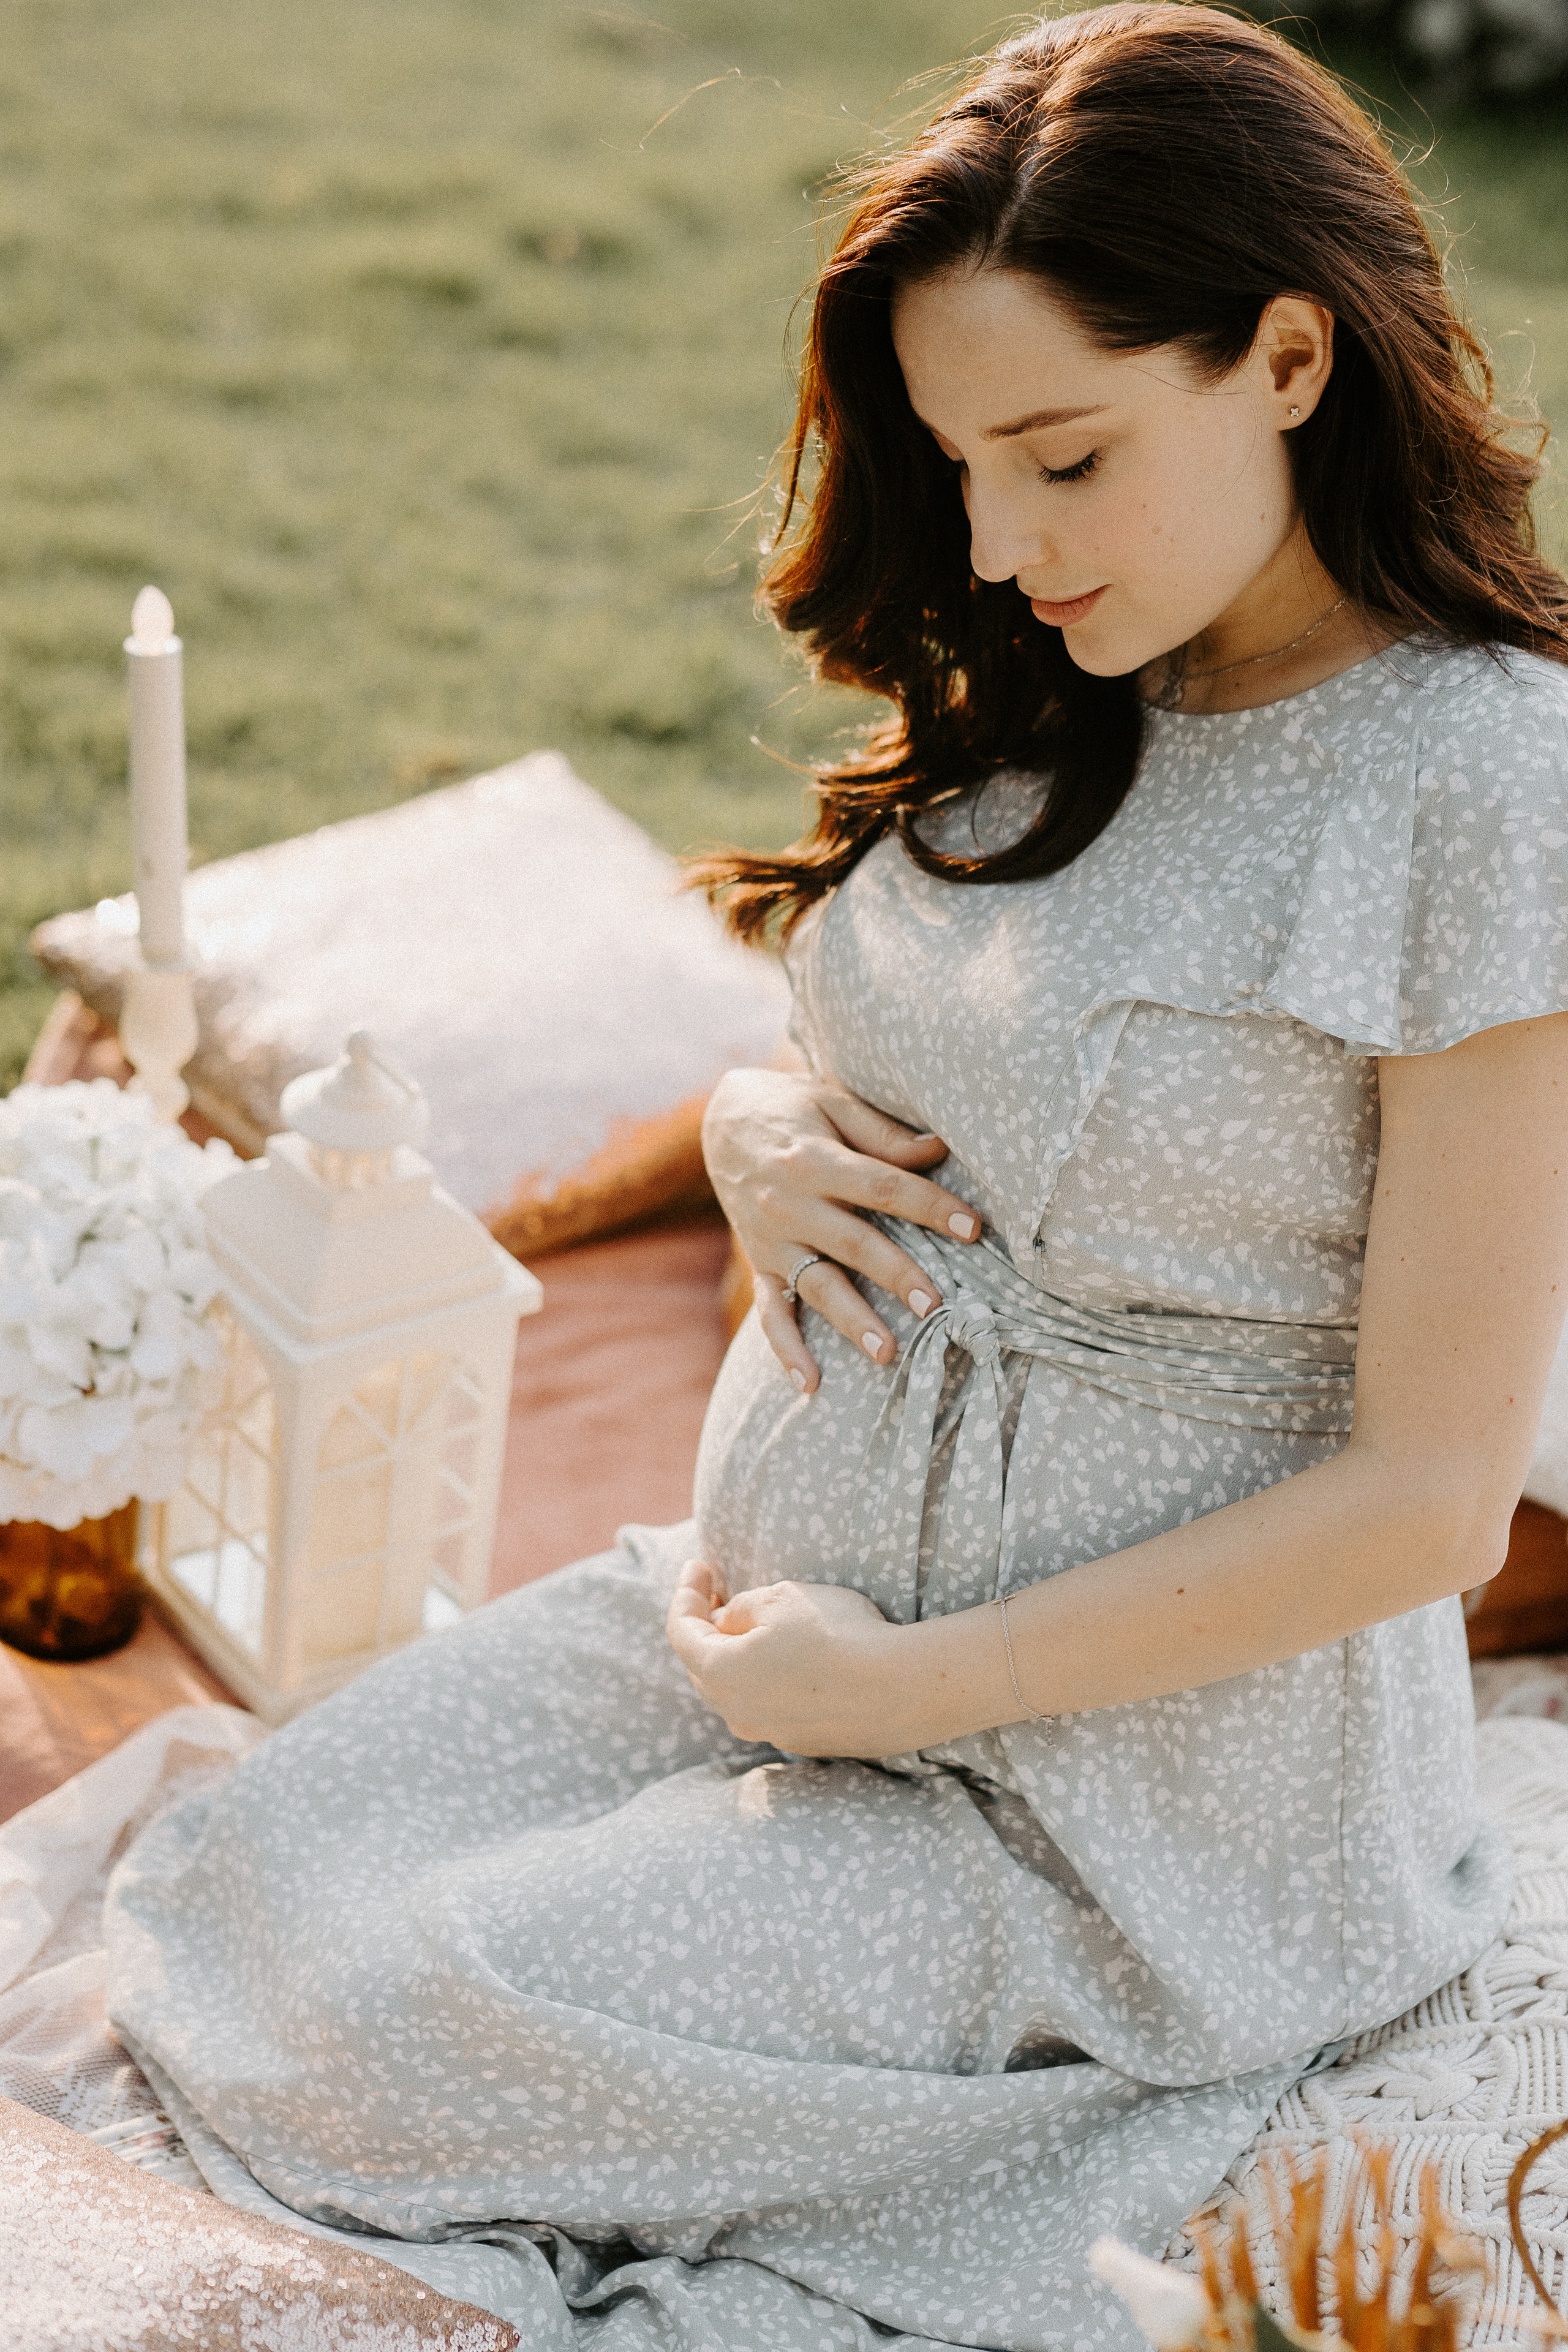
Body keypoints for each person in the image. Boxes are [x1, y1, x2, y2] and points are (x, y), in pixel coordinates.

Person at [106, 8, 1568, 2347]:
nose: (994, 542)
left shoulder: (1482, 787)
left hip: (1127, 1806)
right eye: (956, 460)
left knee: (396, 2025)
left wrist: (907, 1692)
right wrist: (752, 1127)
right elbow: (877, 1021)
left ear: (1290, 356)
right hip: (768, 1632)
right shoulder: (1102, 652)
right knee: (258, 1876)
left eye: (1062, 455)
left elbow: (1431, 1498)